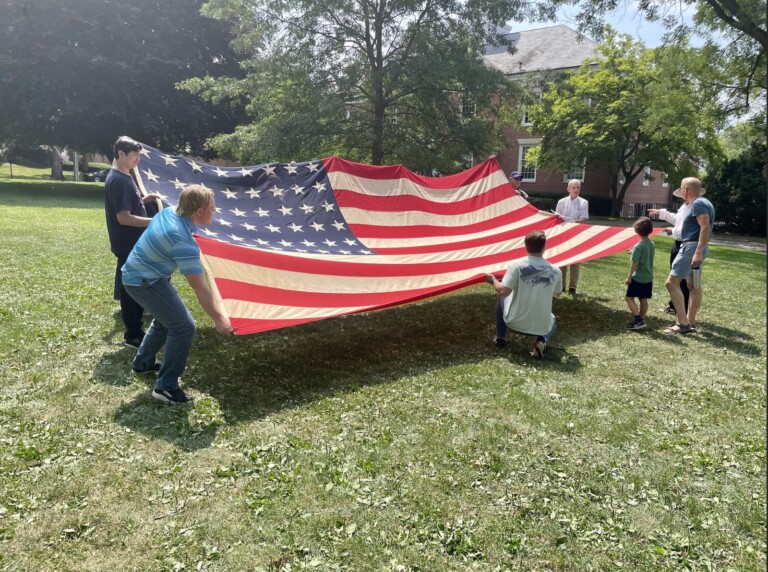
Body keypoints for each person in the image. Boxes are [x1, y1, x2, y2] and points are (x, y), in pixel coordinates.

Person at [122, 184, 234, 403]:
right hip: (142, 280)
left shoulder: (169, 212)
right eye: (212, 207)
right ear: (199, 211)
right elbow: (199, 286)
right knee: (183, 327)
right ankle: (165, 387)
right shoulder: (181, 239)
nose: (215, 211)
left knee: (167, 319)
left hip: (140, 274)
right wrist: (219, 319)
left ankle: (142, 363)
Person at [104, 136, 161, 348]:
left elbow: (130, 203)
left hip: (132, 243)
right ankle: (133, 334)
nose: (138, 158)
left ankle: (136, 328)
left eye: (139, 154)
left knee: (133, 284)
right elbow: (124, 217)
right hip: (127, 243)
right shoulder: (118, 180)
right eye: (134, 154)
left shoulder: (125, 176)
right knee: (131, 289)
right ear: (120, 153)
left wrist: (145, 200)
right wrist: (154, 221)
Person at [485, 230, 562, 357]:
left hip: (514, 322)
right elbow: (557, 293)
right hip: (541, 327)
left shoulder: (516, 266)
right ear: (544, 246)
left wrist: (492, 280)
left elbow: (503, 291)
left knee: (501, 298)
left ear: (525, 246)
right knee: (552, 319)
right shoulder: (556, 270)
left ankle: (500, 338)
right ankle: (541, 341)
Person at [663, 177, 715, 335]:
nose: (682, 193)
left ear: (686, 189)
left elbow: (705, 227)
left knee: (672, 283)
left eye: (682, 189)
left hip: (691, 248)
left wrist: (697, 252)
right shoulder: (704, 202)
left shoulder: (698, 203)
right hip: (698, 247)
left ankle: (682, 323)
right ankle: (690, 322)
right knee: (694, 285)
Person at [648, 192, 691, 314]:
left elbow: (688, 228)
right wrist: (662, 213)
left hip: (686, 245)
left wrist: (672, 231)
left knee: (679, 278)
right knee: (676, 276)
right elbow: (677, 220)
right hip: (678, 244)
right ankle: (675, 306)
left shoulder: (695, 207)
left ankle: (681, 308)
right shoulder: (685, 206)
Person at [554, 179, 589, 295]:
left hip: (576, 235)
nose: (576, 190)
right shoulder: (561, 202)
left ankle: (573, 287)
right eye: (573, 187)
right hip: (563, 235)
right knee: (562, 261)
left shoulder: (584, 203)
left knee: (575, 262)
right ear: (568, 189)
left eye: (578, 188)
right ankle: (562, 286)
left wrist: (573, 221)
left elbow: (583, 219)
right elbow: (557, 218)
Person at [624, 217, 655, 330]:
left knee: (629, 298)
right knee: (643, 299)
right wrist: (633, 252)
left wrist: (629, 277)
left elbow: (635, 263)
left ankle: (637, 319)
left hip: (638, 277)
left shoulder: (638, 246)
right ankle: (642, 319)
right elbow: (644, 255)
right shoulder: (651, 243)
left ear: (637, 231)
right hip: (648, 277)